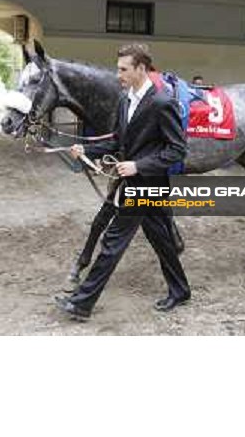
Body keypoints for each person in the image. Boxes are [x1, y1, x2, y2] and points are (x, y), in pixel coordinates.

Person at [56, 43, 190, 319]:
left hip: (148, 185)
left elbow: (177, 150)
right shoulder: (125, 100)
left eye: (124, 69)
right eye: (118, 69)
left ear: (141, 69)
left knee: (113, 241)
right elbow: (119, 141)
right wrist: (86, 150)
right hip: (134, 183)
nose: (119, 74)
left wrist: (138, 165)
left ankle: (82, 303)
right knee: (161, 239)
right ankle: (180, 290)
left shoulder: (163, 103)